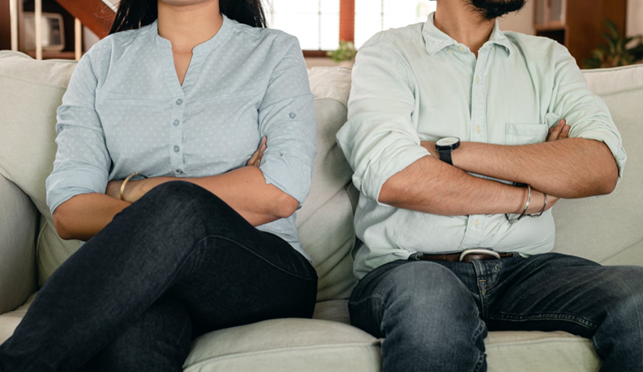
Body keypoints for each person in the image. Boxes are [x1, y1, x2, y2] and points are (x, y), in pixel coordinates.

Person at [0, 0, 318, 371]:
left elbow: (279, 194)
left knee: (180, 205)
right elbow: (71, 212)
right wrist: (178, 217)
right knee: (132, 345)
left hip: (262, 274)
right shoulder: (103, 61)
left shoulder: (274, 51)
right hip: (144, 283)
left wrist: (131, 189)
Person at [337, 0, 642, 371]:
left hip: (524, 271)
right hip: (410, 269)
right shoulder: (389, 52)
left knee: (637, 294)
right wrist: (527, 196)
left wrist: (447, 152)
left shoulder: (548, 59)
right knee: (432, 305)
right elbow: (394, 176)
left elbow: (600, 166)